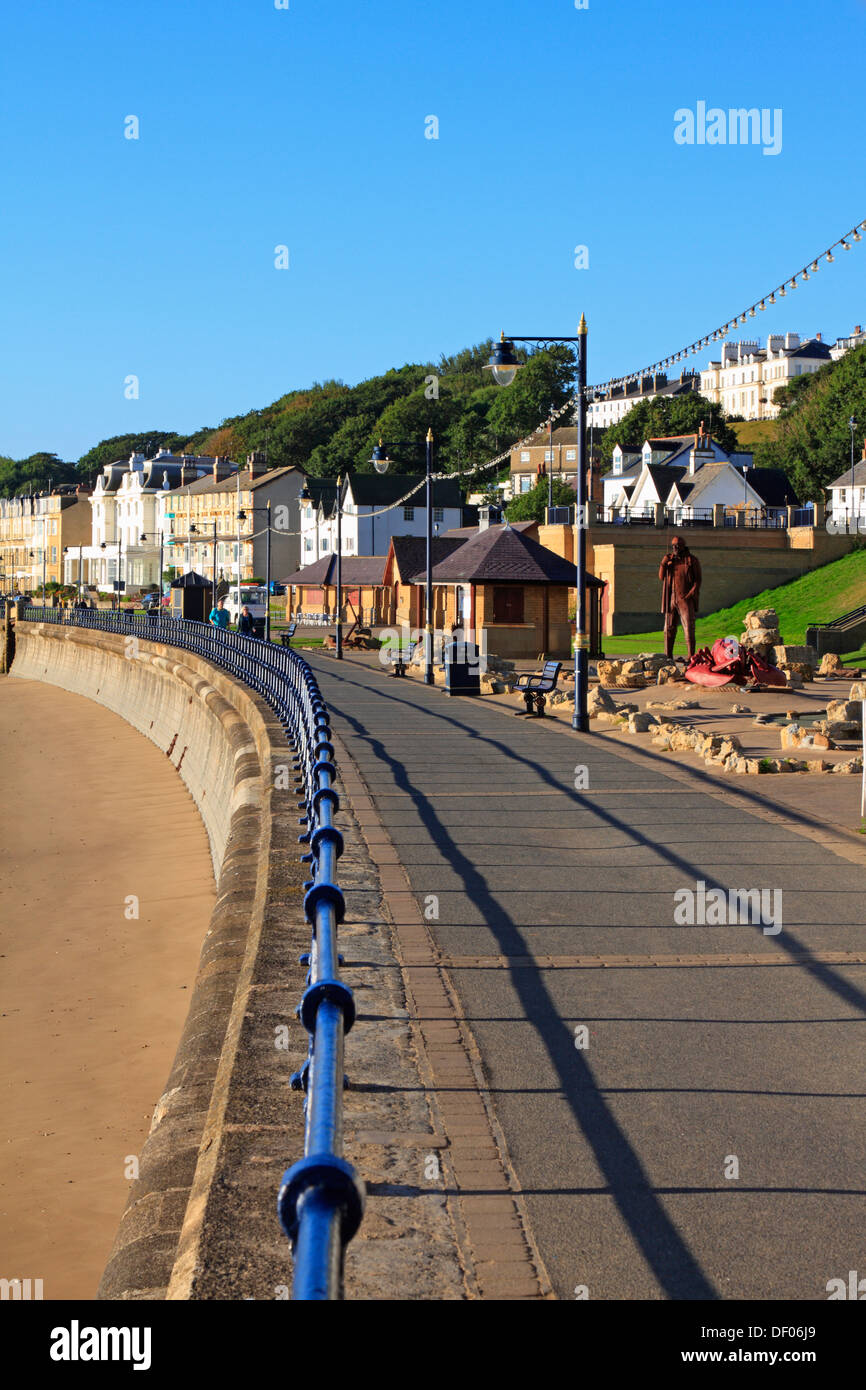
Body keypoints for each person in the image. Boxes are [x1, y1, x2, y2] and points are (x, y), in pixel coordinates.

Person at [659, 535, 701, 660]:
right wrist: (663, 563)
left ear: (683, 546)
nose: (675, 548)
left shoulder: (692, 560)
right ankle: (668, 655)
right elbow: (661, 577)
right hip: (671, 598)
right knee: (669, 628)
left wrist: (691, 594)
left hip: (685, 599)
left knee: (688, 627)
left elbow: (697, 580)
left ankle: (690, 656)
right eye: (673, 545)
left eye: (677, 545)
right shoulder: (670, 561)